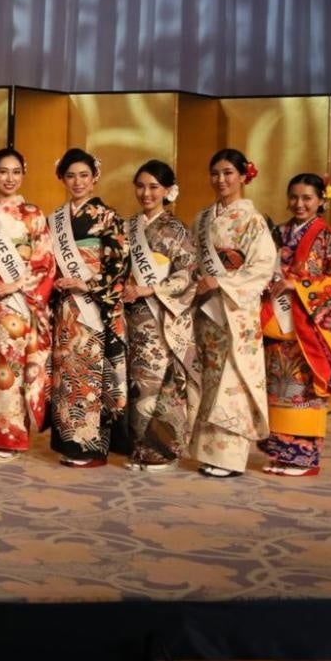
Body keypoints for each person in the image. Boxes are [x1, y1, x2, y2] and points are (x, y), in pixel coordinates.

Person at [191, 149, 279, 479]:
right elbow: (192, 260)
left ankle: (230, 457)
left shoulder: (253, 221)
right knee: (210, 378)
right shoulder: (202, 219)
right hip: (207, 310)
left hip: (235, 312)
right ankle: (208, 452)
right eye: (215, 173)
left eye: (228, 173)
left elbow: (262, 267)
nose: (221, 179)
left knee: (233, 380)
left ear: (243, 176)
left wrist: (222, 281)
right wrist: (198, 282)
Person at [259, 173, 331, 477]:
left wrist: (299, 286)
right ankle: (280, 454)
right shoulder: (277, 233)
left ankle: (303, 458)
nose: (299, 204)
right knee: (277, 389)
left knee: (302, 393)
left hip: (307, 331)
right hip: (276, 325)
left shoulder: (330, 238)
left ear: (321, 200)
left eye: (307, 198)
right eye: (294, 197)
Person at [46, 148, 129, 468]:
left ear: (95, 178)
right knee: (67, 374)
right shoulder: (56, 218)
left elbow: (118, 264)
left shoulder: (108, 216)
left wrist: (87, 283)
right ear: (62, 179)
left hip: (94, 305)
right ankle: (70, 442)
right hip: (66, 307)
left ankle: (92, 447)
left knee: (91, 373)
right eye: (70, 176)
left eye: (84, 175)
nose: (77, 182)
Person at [0, 147, 56, 463]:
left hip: (18, 303)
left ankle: (10, 440)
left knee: (9, 372)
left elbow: (44, 262)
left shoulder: (33, 214)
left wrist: (12, 285)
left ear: (23, 175)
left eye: (16, 172)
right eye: (3, 171)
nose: (9, 178)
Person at [119, 161, 197, 472]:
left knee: (157, 383)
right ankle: (139, 447)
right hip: (130, 316)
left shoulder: (177, 230)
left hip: (160, 318)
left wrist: (150, 288)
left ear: (167, 190)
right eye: (140, 186)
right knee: (135, 383)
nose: (146, 193)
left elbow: (187, 274)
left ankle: (161, 450)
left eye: (154, 187)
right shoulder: (129, 226)